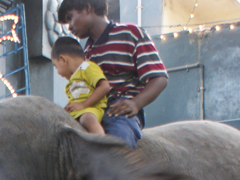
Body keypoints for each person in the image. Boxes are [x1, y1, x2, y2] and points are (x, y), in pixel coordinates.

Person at [58, 0, 168, 147]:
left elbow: (159, 78)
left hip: (120, 109)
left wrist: (136, 103)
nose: (70, 27)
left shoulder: (131, 33)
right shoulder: (86, 52)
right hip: (94, 108)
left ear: (87, 8)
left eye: (70, 17)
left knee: (118, 143)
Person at [51, 36, 110, 135]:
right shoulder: (70, 84)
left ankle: (102, 145)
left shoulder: (88, 67)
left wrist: (83, 105)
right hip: (77, 113)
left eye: (56, 66)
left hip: (92, 109)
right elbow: (75, 101)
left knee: (87, 119)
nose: (57, 72)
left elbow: (104, 87)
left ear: (63, 59)